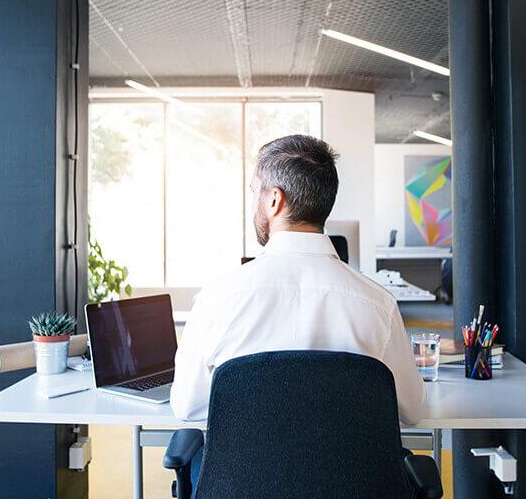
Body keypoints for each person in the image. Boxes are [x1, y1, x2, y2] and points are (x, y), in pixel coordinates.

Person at [170, 134, 426, 425]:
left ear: (274, 200)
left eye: (255, 192)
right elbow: (413, 410)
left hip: (245, 470)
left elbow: (186, 406)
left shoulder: (218, 298)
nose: (254, 201)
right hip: (346, 471)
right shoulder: (379, 305)